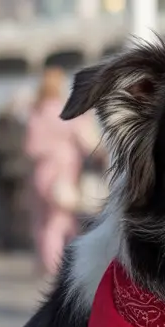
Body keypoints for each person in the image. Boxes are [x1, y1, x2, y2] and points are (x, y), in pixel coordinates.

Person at [24, 67, 97, 279]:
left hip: (40, 173)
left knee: (43, 221)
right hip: (63, 173)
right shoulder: (63, 110)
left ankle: (45, 262)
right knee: (60, 223)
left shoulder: (35, 112)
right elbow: (87, 140)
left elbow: (30, 148)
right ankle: (58, 268)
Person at [0, 87, 33, 253]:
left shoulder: (2, 122)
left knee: (9, 209)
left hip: (7, 171)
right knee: (11, 209)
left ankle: (9, 239)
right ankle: (10, 240)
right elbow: (12, 145)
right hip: (13, 171)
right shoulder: (12, 123)